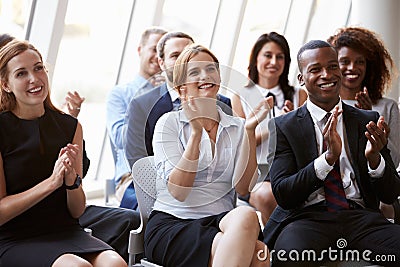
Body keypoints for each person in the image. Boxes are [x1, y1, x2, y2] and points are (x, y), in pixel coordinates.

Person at [0, 33, 139, 263]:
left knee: (115, 262)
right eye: (21, 73)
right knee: (75, 265)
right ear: (6, 84)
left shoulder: (70, 126)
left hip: (65, 230)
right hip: (14, 237)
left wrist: (71, 182)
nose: (34, 78)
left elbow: (76, 211)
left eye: (38, 68)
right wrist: (51, 183)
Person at [262, 40, 400, 266]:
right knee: (289, 259)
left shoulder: (367, 120)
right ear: (301, 79)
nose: (327, 74)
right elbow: (284, 194)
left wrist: (374, 160)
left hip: (359, 217)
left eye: (333, 66)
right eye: (315, 69)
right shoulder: (283, 126)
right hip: (307, 218)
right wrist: (326, 161)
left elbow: (391, 193)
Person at [144, 44, 270, 267]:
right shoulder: (168, 123)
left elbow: (243, 189)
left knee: (249, 218)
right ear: (182, 88)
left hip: (221, 222)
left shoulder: (238, 126)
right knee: (258, 255)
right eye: (195, 72)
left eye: (211, 69)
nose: (205, 75)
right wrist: (195, 133)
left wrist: (249, 131)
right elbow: (178, 191)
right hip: (174, 224)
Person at [124, 31, 232, 169]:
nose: (183, 61)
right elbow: (138, 160)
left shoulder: (223, 104)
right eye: (175, 56)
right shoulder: (141, 105)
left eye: (189, 54)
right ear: (161, 63)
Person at [231, 32, 308, 225]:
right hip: (256, 174)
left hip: (292, 170)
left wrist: (293, 122)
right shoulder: (240, 97)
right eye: (267, 55)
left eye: (280, 56)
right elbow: (241, 144)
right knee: (267, 196)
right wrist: (276, 125)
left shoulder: (300, 95)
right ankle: (274, 246)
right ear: (256, 58)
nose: (274, 61)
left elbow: (308, 139)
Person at [327, 26, 400, 222]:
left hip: (377, 193)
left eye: (360, 62)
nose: (352, 68)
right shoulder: (325, 106)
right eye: (345, 62)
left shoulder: (387, 107)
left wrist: (369, 117)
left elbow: (393, 160)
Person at [63, 90, 140, 263]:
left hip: (69, 207)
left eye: (39, 69)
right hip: (39, 217)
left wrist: (69, 125)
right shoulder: (122, 95)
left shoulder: (58, 122)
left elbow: (80, 174)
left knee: (130, 220)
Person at [106, 27, 167, 209]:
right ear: (140, 50)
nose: (157, 57)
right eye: (154, 49)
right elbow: (119, 139)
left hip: (171, 175)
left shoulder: (175, 96)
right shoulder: (121, 93)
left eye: (162, 53)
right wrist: (147, 100)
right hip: (132, 177)